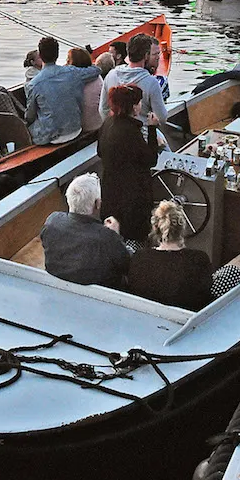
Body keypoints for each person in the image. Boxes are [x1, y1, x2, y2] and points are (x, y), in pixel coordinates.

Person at [128, 201, 240, 309]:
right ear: (183, 228)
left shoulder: (139, 257)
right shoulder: (198, 259)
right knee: (233, 271)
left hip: (149, 312)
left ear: (155, 227)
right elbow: (205, 286)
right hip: (190, 313)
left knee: (132, 244)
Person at [40, 173, 128, 288]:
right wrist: (115, 235)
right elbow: (127, 265)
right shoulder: (107, 238)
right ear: (97, 204)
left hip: (56, 286)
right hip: (101, 294)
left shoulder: (52, 221)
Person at [96, 83, 160, 239]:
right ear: (133, 107)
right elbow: (151, 160)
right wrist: (152, 129)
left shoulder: (107, 124)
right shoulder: (130, 131)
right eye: (138, 102)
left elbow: (99, 151)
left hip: (110, 190)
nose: (140, 105)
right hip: (132, 197)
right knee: (134, 235)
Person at [25, 36, 101, 144]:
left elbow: (29, 116)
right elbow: (96, 70)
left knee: (27, 128)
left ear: (41, 56)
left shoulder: (33, 84)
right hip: (75, 129)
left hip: (50, 137)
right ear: (57, 54)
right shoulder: (73, 72)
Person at [98, 32, 167, 127]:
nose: (158, 57)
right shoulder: (151, 82)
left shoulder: (111, 74)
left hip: (115, 131)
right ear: (146, 55)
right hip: (141, 136)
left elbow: (102, 109)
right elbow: (162, 118)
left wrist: (114, 127)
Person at [68, 47, 103, 133]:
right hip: (99, 122)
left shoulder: (71, 80)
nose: (66, 63)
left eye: (68, 60)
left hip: (82, 127)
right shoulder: (98, 77)